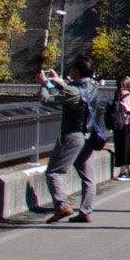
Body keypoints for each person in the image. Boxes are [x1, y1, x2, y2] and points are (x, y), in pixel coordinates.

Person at [40, 53, 104, 222]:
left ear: (76, 71)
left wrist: (44, 85)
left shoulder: (74, 91)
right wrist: (59, 82)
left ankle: (62, 206)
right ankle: (86, 212)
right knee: (88, 177)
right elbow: (76, 92)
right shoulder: (94, 87)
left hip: (72, 136)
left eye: (72, 68)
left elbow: (47, 101)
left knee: (53, 172)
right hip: (89, 136)